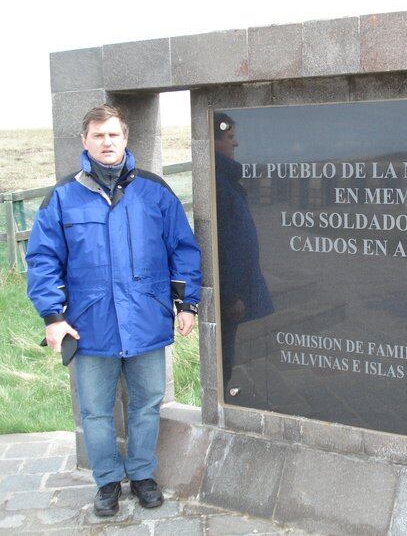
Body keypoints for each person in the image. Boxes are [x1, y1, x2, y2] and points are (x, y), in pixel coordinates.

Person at [25, 104, 202, 517]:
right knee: (96, 411)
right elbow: (43, 259)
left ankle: (141, 474)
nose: (107, 142)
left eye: (114, 135)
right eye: (99, 135)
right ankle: (106, 480)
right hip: (90, 326)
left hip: (145, 319)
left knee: (146, 402)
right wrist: (53, 317)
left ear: (126, 139)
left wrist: (186, 303)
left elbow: (183, 248)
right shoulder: (64, 197)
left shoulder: (155, 191)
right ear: (85, 141)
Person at [213, 112, 273, 394]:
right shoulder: (219, 185)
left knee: (230, 352)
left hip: (235, 290)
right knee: (224, 354)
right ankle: (224, 396)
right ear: (212, 143)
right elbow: (223, 243)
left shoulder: (225, 180)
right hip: (231, 293)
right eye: (229, 138)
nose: (235, 144)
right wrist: (230, 295)